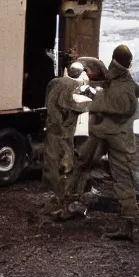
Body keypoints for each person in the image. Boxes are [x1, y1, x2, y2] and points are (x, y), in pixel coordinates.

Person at [83, 44, 139, 240]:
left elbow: (116, 107)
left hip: (117, 138)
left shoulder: (123, 89)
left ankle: (127, 224)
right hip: (110, 135)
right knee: (86, 162)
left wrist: (93, 99)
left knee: (123, 180)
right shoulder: (122, 79)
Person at [43, 62, 91, 220]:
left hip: (51, 128)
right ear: (78, 74)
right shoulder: (72, 85)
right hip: (63, 132)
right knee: (65, 165)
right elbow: (70, 104)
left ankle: (56, 198)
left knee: (51, 163)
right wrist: (92, 103)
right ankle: (63, 201)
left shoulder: (54, 82)